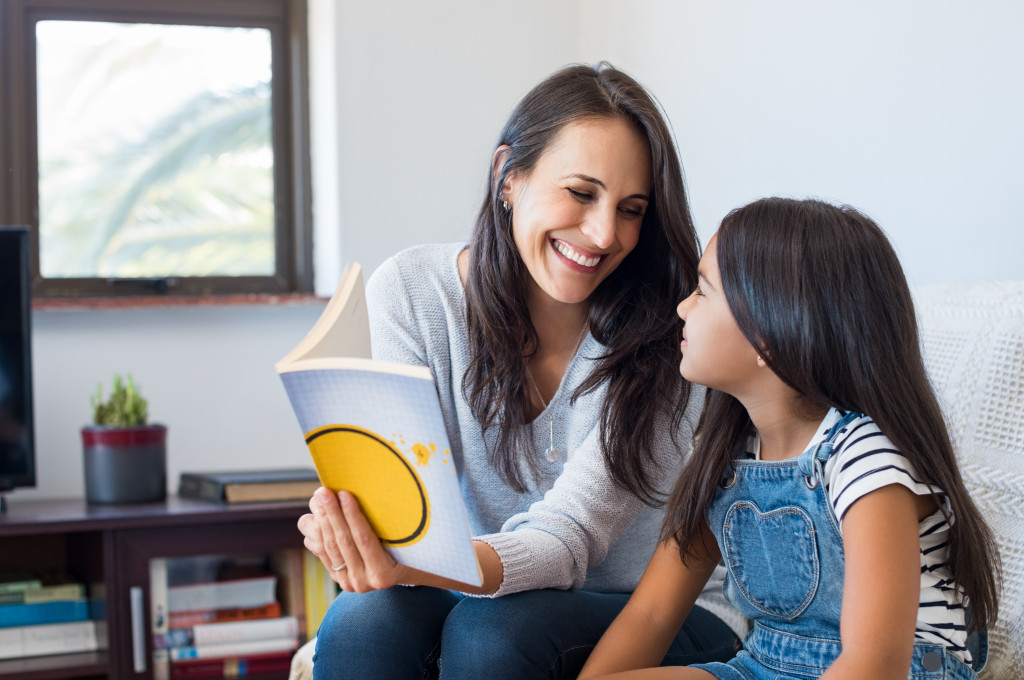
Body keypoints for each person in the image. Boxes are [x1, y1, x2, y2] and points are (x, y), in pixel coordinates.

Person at [296, 62, 745, 679]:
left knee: (493, 636)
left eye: (632, 209)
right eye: (582, 193)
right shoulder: (412, 294)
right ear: (509, 177)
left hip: (655, 608)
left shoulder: (670, 331)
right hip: (479, 585)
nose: (603, 233)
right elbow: (407, 510)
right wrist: (357, 538)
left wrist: (419, 565)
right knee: (361, 622)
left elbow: (568, 539)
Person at [578, 197, 1002, 680]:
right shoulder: (725, 460)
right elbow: (650, 615)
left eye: (702, 291)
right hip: (764, 665)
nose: (681, 307)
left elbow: (875, 661)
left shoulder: (865, 459)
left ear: (767, 333)